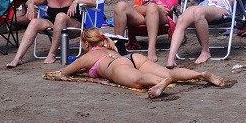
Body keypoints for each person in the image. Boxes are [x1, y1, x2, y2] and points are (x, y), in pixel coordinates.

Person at [50, 28, 226, 98]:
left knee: (139, 80)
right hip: (132, 57)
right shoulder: (111, 49)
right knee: (168, 71)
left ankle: (159, 83)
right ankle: (200, 75)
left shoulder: (88, 56)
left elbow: (64, 73)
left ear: (87, 43)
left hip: (114, 67)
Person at [6, 0, 100, 67]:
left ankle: (52, 53)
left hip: (73, 24)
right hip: (53, 24)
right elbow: (30, 1)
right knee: (34, 22)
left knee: (61, 16)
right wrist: (30, 5)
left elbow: (93, 2)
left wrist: (76, 2)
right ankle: (18, 58)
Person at [114, 0, 181, 62]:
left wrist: (154, 7)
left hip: (162, 18)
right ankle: (119, 45)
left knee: (152, 7)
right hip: (143, 17)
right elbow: (135, 8)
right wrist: (155, 6)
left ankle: (151, 49)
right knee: (120, 5)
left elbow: (167, 10)